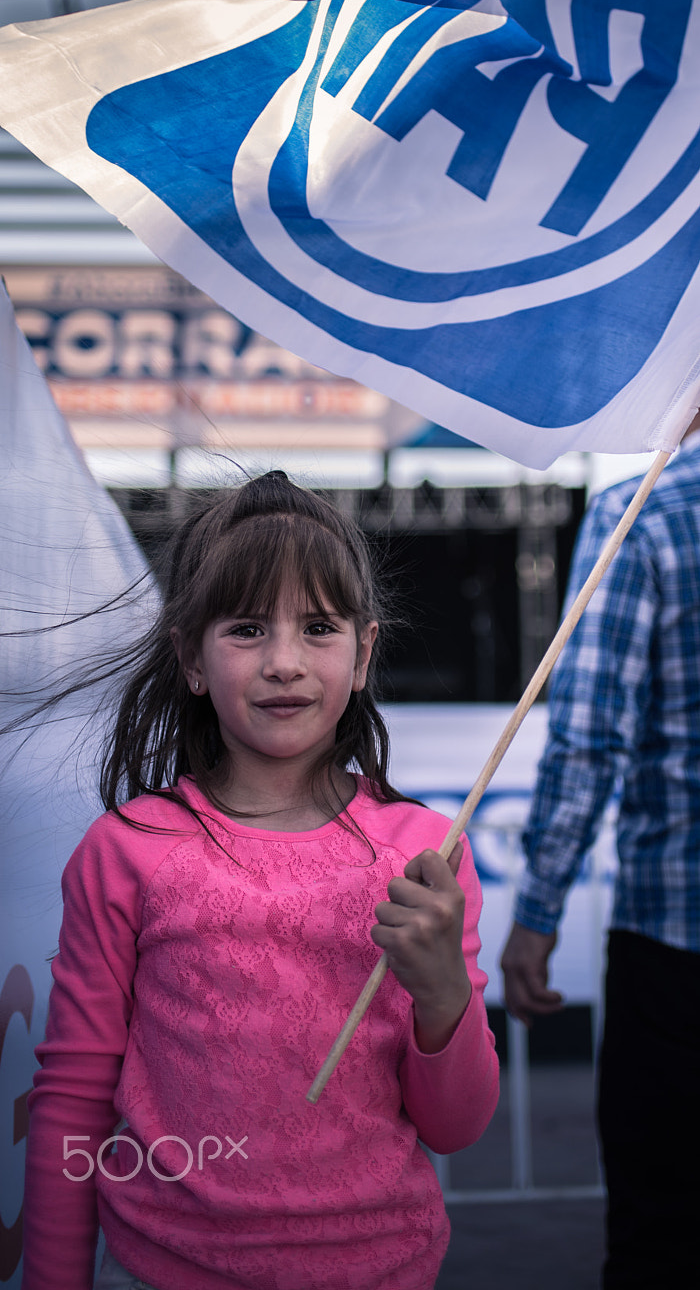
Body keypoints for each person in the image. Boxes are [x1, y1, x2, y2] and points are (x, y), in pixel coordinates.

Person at [22, 470, 499, 1290]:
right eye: (246, 628)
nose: (284, 663)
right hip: (160, 1269)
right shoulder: (126, 850)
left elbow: (457, 1128)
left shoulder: (425, 857)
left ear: (364, 654)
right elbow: (70, 1104)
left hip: (385, 1270)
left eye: (318, 627)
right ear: (192, 659)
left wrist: (443, 993)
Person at [500, 415, 700, 1289]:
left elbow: (588, 740)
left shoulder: (648, 515)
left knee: (663, 1233)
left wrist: (535, 917)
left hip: (677, 943)